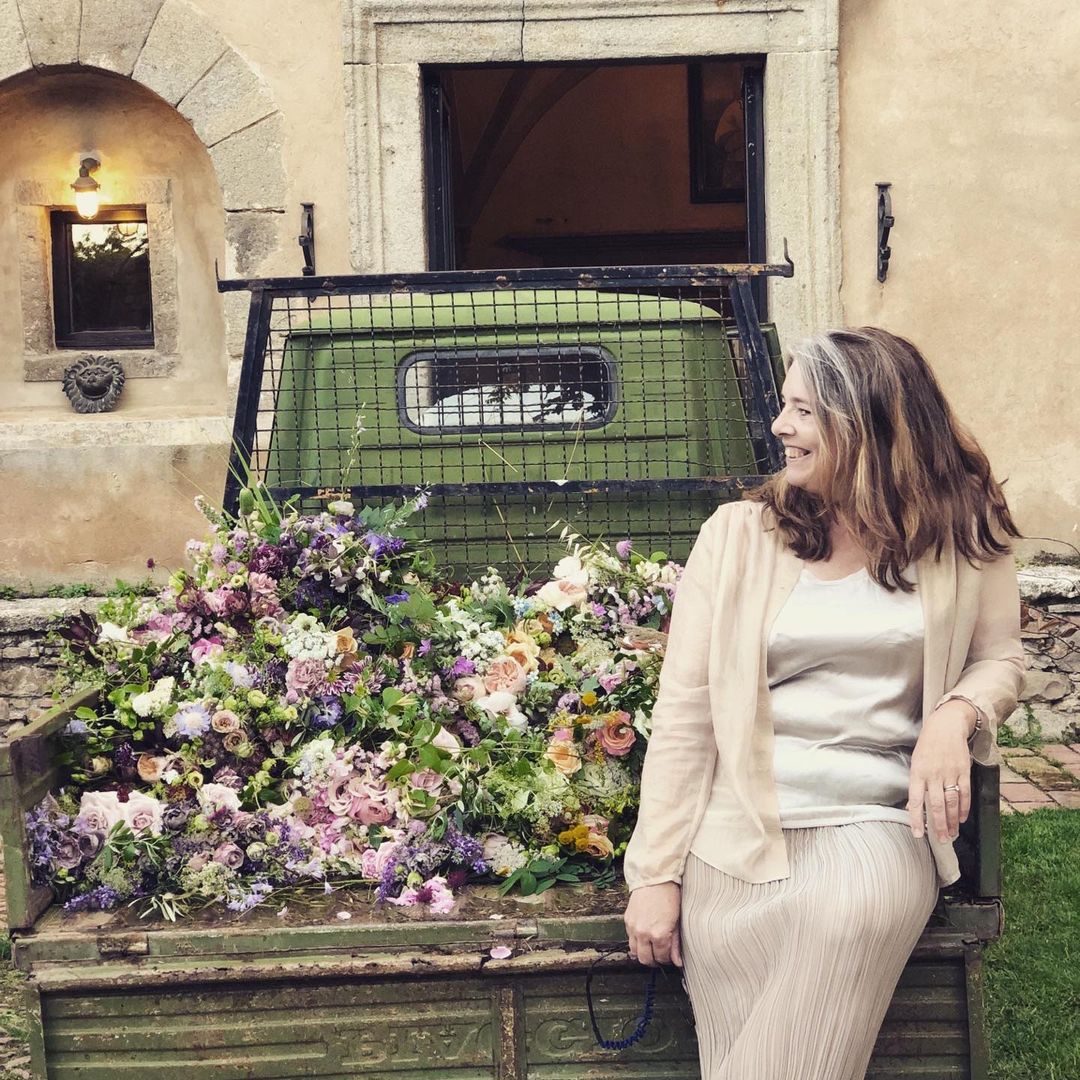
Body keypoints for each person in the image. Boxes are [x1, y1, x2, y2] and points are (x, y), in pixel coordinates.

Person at [622, 327, 1024, 1080]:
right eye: (785, 407)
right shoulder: (736, 536)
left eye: (802, 411)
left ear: (864, 422)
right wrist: (655, 875)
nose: (781, 427)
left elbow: (1001, 655)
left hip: (873, 832)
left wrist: (957, 714)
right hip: (735, 846)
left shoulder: (963, 529)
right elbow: (686, 715)